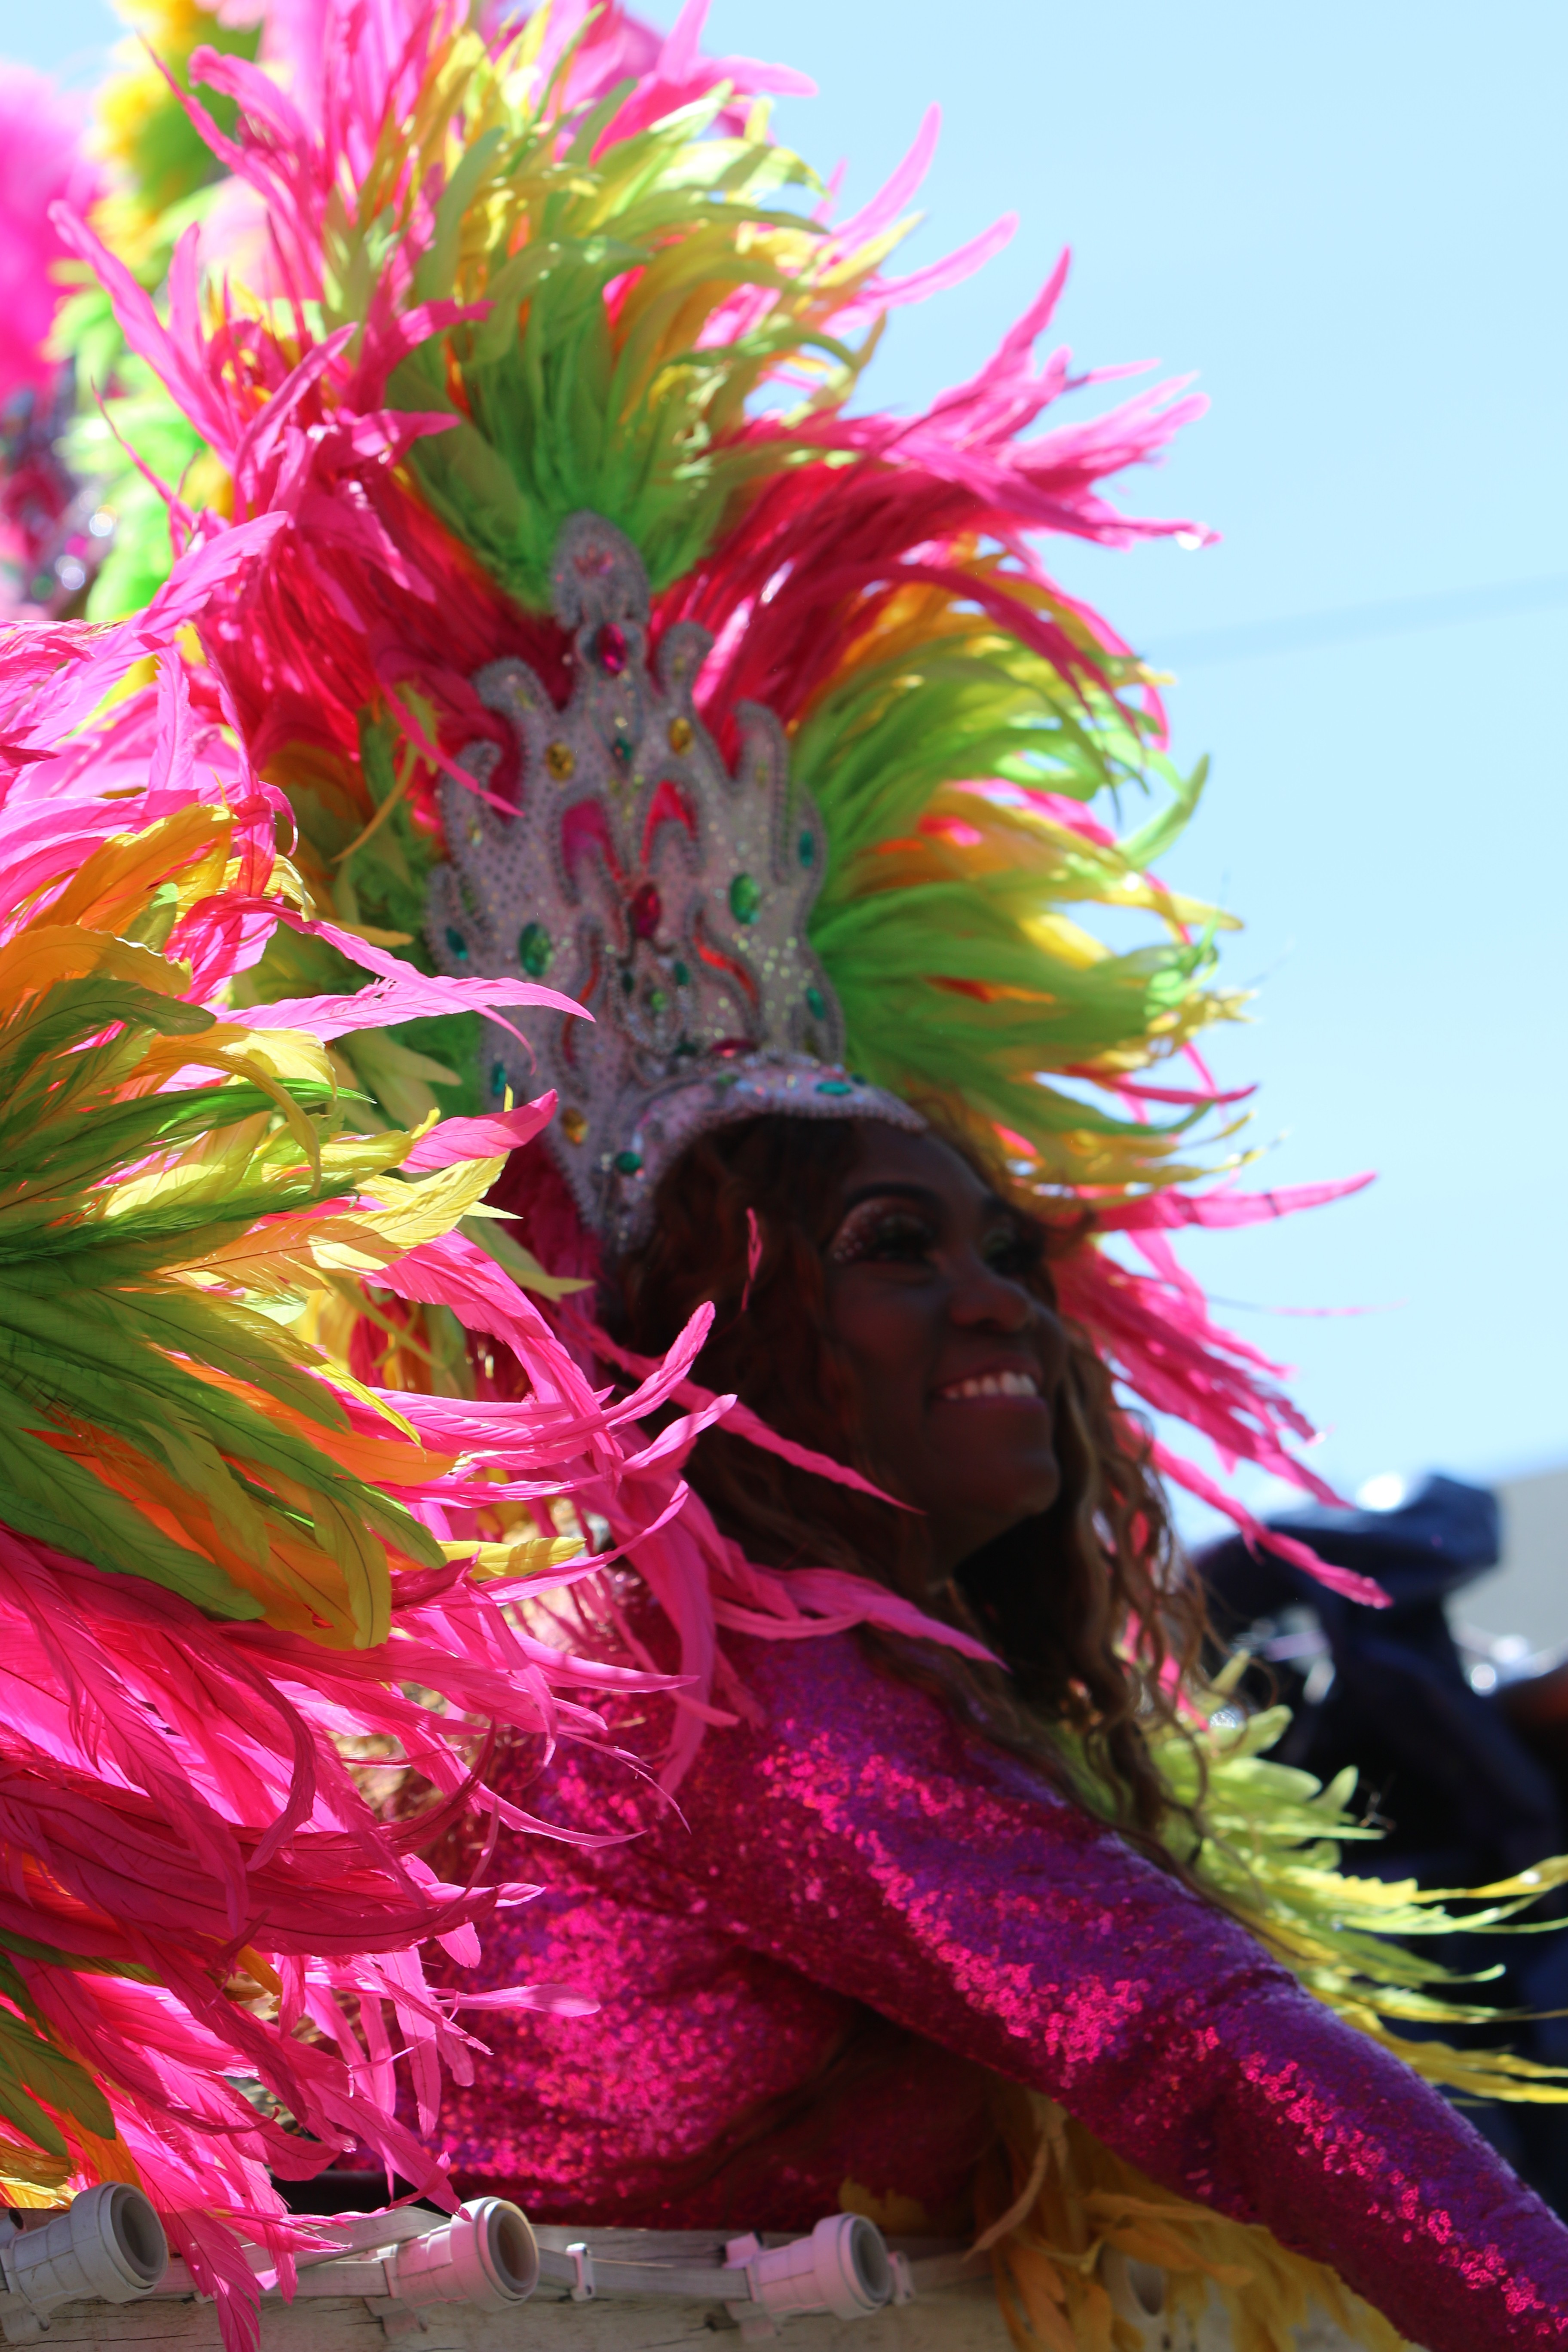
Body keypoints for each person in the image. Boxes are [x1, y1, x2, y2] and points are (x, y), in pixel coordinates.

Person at [34, 4, 1568, 2344]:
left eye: (1003, 1250)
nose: (1000, 1300)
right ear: (726, 1330)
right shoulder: (716, 1702)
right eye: (897, 1248)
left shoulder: (831, 1683)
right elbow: (1196, 2048)